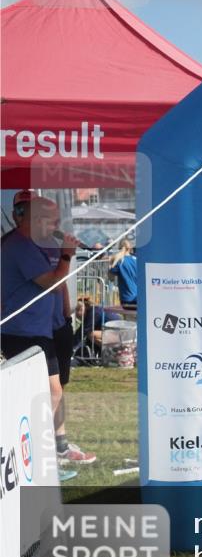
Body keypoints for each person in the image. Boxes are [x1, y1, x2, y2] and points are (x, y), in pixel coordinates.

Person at [1, 195, 96, 465]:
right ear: (34, 219)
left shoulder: (36, 244)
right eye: (50, 220)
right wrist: (67, 253)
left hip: (45, 328)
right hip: (24, 331)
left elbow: (59, 286)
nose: (55, 225)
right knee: (49, 392)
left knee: (54, 389)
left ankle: (57, 447)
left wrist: (64, 313)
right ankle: (32, 447)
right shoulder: (18, 246)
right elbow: (54, 282)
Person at [109, 239, 138, 308]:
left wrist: (111, 263)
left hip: (127, 298)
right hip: (139, 297)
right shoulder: (137, 260)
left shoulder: (119, 261)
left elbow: (111, 278)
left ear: (119, 248)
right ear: (130, 248)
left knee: (128, 318)